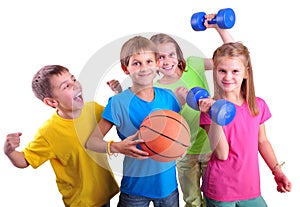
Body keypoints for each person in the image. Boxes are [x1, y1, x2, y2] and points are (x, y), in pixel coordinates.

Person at [85, 35, 187, 207]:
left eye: (148, 61)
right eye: (136, 63)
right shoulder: (117, 103)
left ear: (157, 64)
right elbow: (91, 142)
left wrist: (180, 147)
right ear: (126, 69)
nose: (144, 68)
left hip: (168, 188)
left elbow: (177, 133)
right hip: (134, 191)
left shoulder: (169, 98)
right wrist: (116, 147)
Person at [3, 65, 119, 207]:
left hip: (104, 193)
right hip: (80, 202)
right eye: (66, 86)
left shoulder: (93, 109)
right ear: (51, 102)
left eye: (73, 79)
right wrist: (9, 151)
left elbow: (116, 116)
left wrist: (118, 95)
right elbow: (25, 160)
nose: (75, 85)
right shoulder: (48, 133)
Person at [198, 42, 292, 206]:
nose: (228, 77)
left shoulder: (257, 105)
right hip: (221, 189)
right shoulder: (209, 109)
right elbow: (222, 154)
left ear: (246, 73)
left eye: (235, 71)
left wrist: (278, 172)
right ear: (215, 72)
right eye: (222, 71)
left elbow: (262, 141)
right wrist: (215, 115)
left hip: (250, 187)